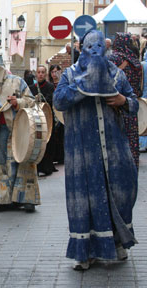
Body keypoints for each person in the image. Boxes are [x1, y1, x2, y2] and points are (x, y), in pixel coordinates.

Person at [54, 30, 138, 270]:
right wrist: (86, 84)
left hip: (114, 150)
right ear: (80, 48)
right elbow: (59, 101)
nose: (95, 52)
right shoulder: (70, 75)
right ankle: (85, 253)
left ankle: (118, 243)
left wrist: (123, 101)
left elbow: (134, 104)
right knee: (85, 201)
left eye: (100, 47)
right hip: (82, 154)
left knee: (120, 195)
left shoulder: (117, 75)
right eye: (90, 47)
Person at [0, 50, 39, 212]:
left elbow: (31, 101)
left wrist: (17, 102)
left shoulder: (17, 82)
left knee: (22, 161)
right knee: (0, 164)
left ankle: (25, 198)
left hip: (19, 129)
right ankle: (2, 199)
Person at [109, 33, 142, 168]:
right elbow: (139, 90)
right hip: (131, 109)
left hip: (115, 110)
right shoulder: (136, 62)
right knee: (131, 147)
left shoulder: (113, 59)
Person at [29, 65, 57, 176]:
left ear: (45, 74)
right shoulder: (32, 87)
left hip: (47, 117)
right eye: (39, 72)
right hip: (36, 118)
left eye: (42, 72)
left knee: (48, 142)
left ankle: (47, 166)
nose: (40, 74)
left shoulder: (50, 86)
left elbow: (50, 100)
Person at [48, 64, 64, 164]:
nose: (54, 74)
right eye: (52, 72)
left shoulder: (62, 83)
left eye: (56, 71)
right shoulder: (49, 84)